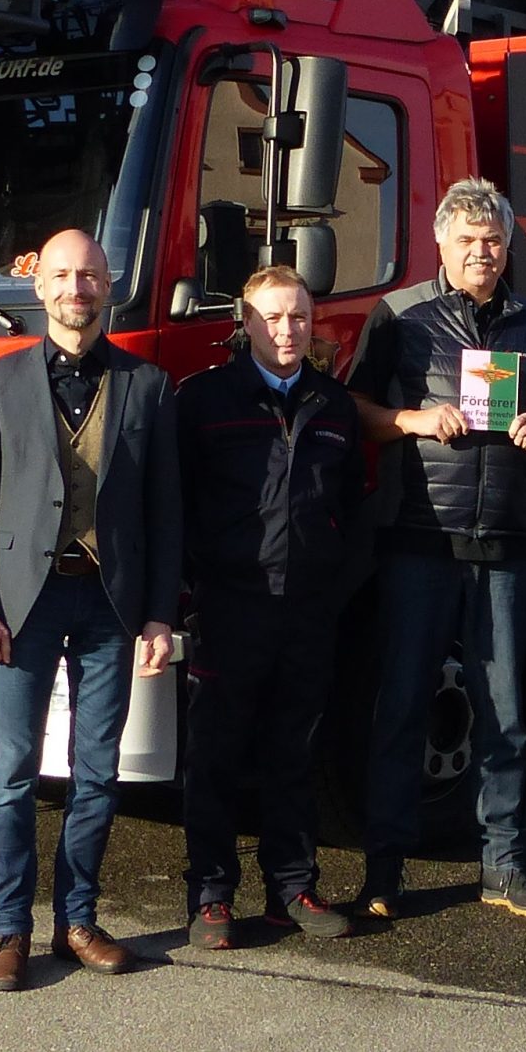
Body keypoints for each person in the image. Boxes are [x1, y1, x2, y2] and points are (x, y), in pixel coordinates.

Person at [348, 177, 526, 920]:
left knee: (507, 713)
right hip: (419, 541)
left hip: (508, 545)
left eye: (492, 241)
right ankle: (383, 872)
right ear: (441, 245)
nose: (481, 251)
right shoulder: (399, 314)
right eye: (467, 240)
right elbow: (355, 407)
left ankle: (503, 866)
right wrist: (415, 420)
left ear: (506, 246)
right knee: (402, 709)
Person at [0, 229, 181, 991]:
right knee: (13, 770)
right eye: (62, 275)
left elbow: (165, 517)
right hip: (24, 605)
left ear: (107, 285)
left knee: (96, 774)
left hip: (111, 607)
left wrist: (158, 615)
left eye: (89, 276)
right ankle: (8, 928)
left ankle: (77, 920)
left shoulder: (148, 387)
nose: (76, 288)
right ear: (39, 287)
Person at [175, 265, 366, 951]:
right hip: (229, 609)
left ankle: (293, 887)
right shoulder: (202, 401)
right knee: (215, 758)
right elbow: (177, 506)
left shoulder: (334, 405)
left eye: (299, 317)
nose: (287, 329)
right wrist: (187, 595)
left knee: (295, 754)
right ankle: (212, 896)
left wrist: (334, 582)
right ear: (245, 324)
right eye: (272, 317)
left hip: (308, 611)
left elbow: (351, 507)